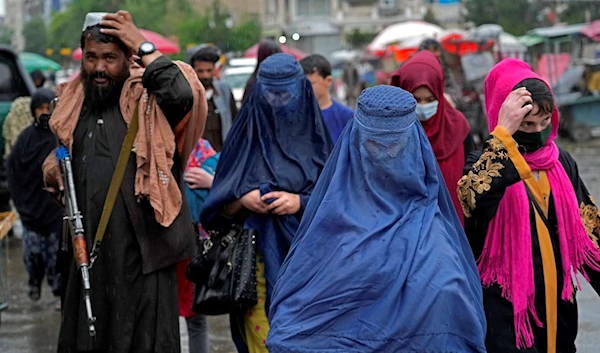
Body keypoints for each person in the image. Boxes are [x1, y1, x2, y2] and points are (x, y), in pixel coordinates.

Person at [267, 85, 486, 353]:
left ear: (412, 144)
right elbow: (289, 328)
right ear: (355, 141)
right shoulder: (331, 219)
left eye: (394, 146)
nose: (383, 155)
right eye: (372, 145)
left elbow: (456, 325)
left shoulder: (434, 239)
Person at [42, 11, 206, 352]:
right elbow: (59, 156)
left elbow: (181, 94)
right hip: (90, 264)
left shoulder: (148, 103)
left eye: (110, 58)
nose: (99, 68)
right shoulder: (74, 107)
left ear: (127, 59)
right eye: (91, 58)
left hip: (143, 263)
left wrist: (142, 44)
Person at [457, 59, 600, 353]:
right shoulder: (484, 163)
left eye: (544, 123)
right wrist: (503, 137)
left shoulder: (561, 162)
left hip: (557, 305)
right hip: (506, 308)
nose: (537, 133)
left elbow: (591, 233)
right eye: (526, 124)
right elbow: (472, 199)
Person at [200, 53, 333, 353]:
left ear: (301, 92)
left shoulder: (318, 143)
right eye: (269, 95)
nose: (277, 103)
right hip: (254, 270)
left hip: (310, 269)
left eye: (285, 94)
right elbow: (215, 211)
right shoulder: (243, 140)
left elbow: (338, 205)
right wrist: (241, 199)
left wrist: (299, 202)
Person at [391, 50, 475, 224]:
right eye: (416, 99)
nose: (423, 107)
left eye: (430, 99)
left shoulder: (458, 126)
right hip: (408, 227)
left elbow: (472, 179)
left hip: (451, 226)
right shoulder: (392, 130)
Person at [7, 88, 62, 306]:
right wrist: (21, 202)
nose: (45, 112)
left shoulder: (60, 138)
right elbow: (12, 169)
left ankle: (59, 293)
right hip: (31, 211)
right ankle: (34, 282)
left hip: (54, 210)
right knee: (33, 255)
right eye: (40, 108)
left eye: (49, 108)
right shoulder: (25, 140)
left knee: (56, 258)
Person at [176, 138, 220, 353]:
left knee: (195, 318)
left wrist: (212, 181)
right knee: (165, 319)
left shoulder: (201, 147)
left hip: (194, 249)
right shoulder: (158, 142)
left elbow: (226, 185)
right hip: (168, 248)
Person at [189, 45, 238, 151]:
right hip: (197, 157)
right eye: (200, 71)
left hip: (222, 153)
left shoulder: (224, 91)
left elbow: (235, 121)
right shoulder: (187, 94)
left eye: (209, 70)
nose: (205, 75)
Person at [300, 54, 353, 144]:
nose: (305, 87)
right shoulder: (296, 115)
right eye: (302, 83)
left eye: (311, 83)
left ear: (328, 81)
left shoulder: (347, 117)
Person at [418, 39, 463, 109]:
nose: (437, 59)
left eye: (438, 56)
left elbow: (455, 91)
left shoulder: (444, 70)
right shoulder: (420, 74)